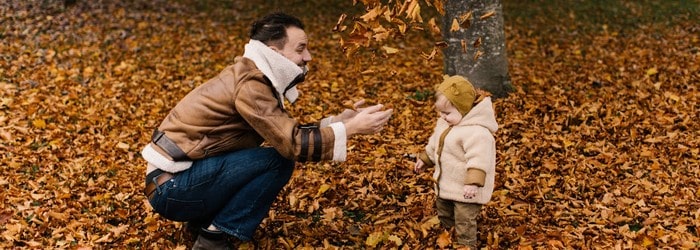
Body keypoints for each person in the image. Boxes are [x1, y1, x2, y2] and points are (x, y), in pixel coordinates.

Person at [141, 12, 393, 249]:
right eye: (300, 49)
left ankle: (202, 221)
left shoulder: (252, 76)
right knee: (278, 161)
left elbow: (282, 132)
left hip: (173, 183)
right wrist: (349, 129)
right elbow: (291, 144)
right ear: (274, 53)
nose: (308, 57)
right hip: (171, 190)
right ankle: (212, 238)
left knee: (274, 156)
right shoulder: (251, 84)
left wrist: (339, 121)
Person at [413, 75, 498, 248]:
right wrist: (425, 159)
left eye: (447, 113)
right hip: (446, 184)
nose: (442, 117)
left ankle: (466, 244)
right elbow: (435, 144)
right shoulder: (445, 124)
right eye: (440, 112)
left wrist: (473, 183)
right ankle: (448, 235)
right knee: (444, 211)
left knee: (464, 220)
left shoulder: (477, 132)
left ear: (464, 109)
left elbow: (479, 159)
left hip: (467, 190)